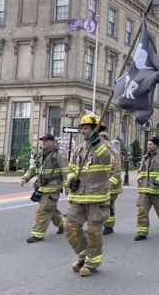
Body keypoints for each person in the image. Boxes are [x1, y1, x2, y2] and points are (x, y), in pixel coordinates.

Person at [65, 114, 113, 277]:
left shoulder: (105, 146)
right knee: (70, 227)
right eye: (82, 128)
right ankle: (83, 254)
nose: (82, 131)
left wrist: (97, 143)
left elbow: (108, 160)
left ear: (95, 130)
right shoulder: (79, 149)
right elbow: (71, 168)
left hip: (97, 198)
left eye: (86, 128)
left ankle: (92, 262)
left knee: (93, 232)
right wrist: (72, 180)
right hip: (78, 197)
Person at [21, 134, 68, 243]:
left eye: (46, 140)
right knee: (51, 210)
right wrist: (25, 178)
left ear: (53, 141)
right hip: (42, 188)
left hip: (52, 189)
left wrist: (67, 187)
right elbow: (33, 168)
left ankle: (38, 234)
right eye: (43, 140)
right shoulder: (41, 154)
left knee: (42, 210)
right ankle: (63, 225)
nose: (44, 142)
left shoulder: (58, 155)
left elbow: (66, 171)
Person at [134, 137, 159, 241]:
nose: (148, 146)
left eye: (150, 144)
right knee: (142, 211)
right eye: (147, 144)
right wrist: (139, 177)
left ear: (156, 145)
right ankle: (142, 232)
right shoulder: (145, 157)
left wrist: (158, 181)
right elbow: (141, 170)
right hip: (145, 190)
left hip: (157, 191)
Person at [99, 132, 123, 235]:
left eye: (102, 140)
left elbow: (116, 171)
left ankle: (109, 226)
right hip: (102, 184)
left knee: (108, 205)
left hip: (111, 186)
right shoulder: (101, 151)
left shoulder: (113, 153)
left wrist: (110, 184)